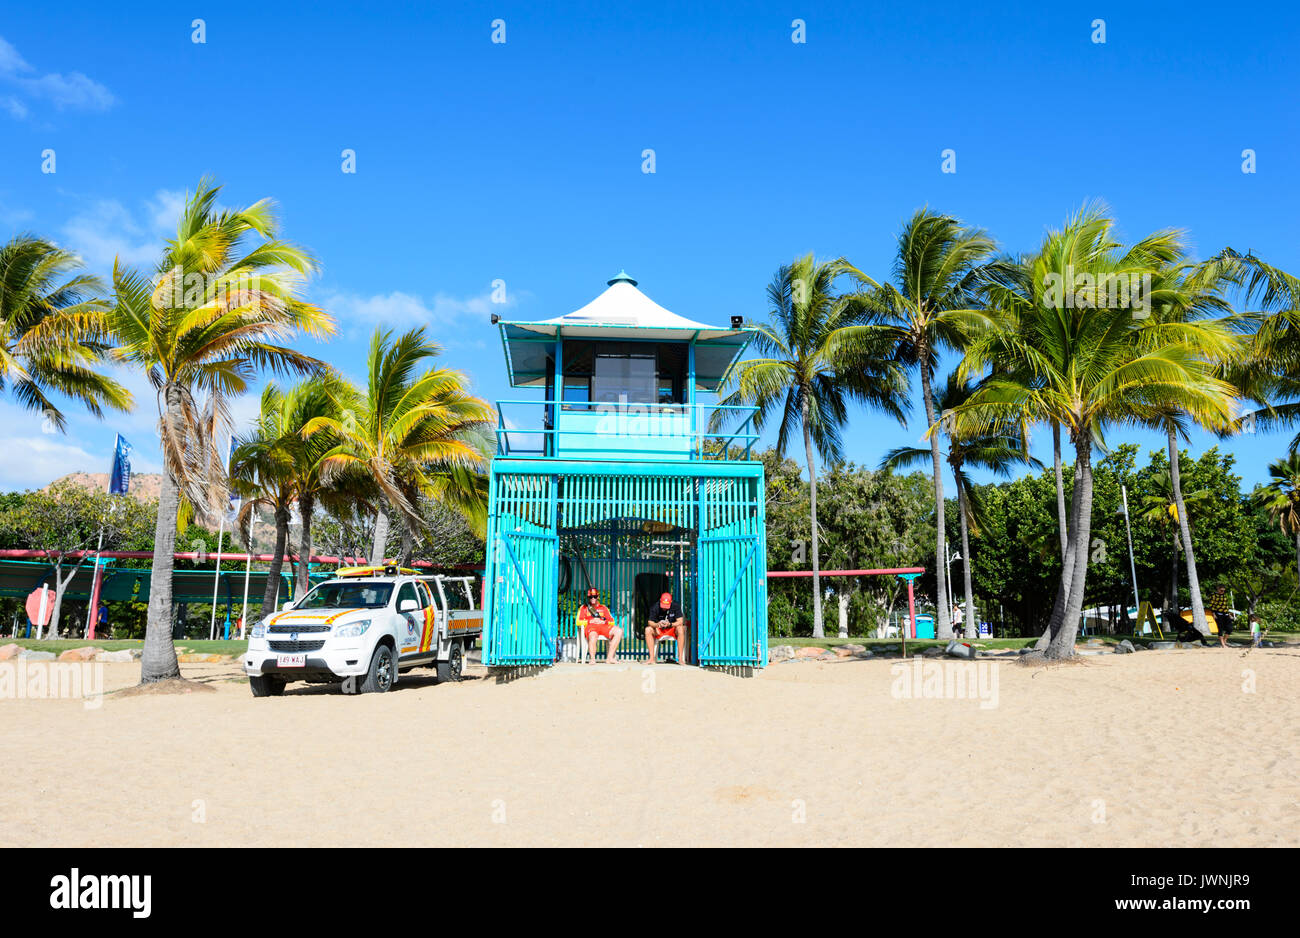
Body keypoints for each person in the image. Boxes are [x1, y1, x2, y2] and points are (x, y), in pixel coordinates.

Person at [577, 587, 621, 664]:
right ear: (588, 598)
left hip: (603, 627)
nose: (593, 598)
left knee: (619, 631)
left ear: (598, 597)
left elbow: (612, 621)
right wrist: (590, 620)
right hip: (591, 627)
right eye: (591, 597)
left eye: (595, 596)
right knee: (593, 635)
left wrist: (602, 621)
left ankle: (610, 658)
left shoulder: (604, 608)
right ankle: (592, 659)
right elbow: (578, 622)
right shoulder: (583, 608)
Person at [645, 592, 687, 665]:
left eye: (666, 606)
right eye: (663, 605)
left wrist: (670, 624)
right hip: (659, 630)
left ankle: (680, 659)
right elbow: (650, 622)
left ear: (671, 602)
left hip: (672, 629)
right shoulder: (655, 606)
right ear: (660, 600)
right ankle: (651, 658)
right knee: (648, 629)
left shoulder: (675, 606)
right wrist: (657, 624)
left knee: (681, 629)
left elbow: (680, 621)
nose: (664, 608)